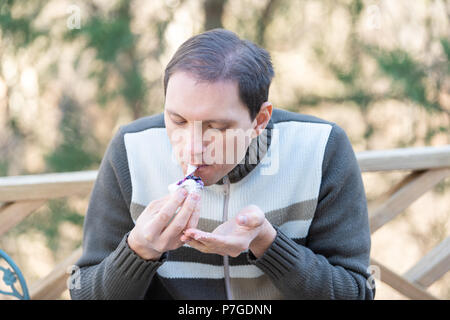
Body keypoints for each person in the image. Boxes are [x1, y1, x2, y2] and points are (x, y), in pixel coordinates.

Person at [70, 28, 375, 300]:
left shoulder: (321, 148)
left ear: (260, 119)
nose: (191, 146)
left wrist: (267, 243)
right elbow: (82, 291)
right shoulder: (131, 149)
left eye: (217, 127)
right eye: (177, 120)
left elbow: (357, 292)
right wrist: (138, 251)